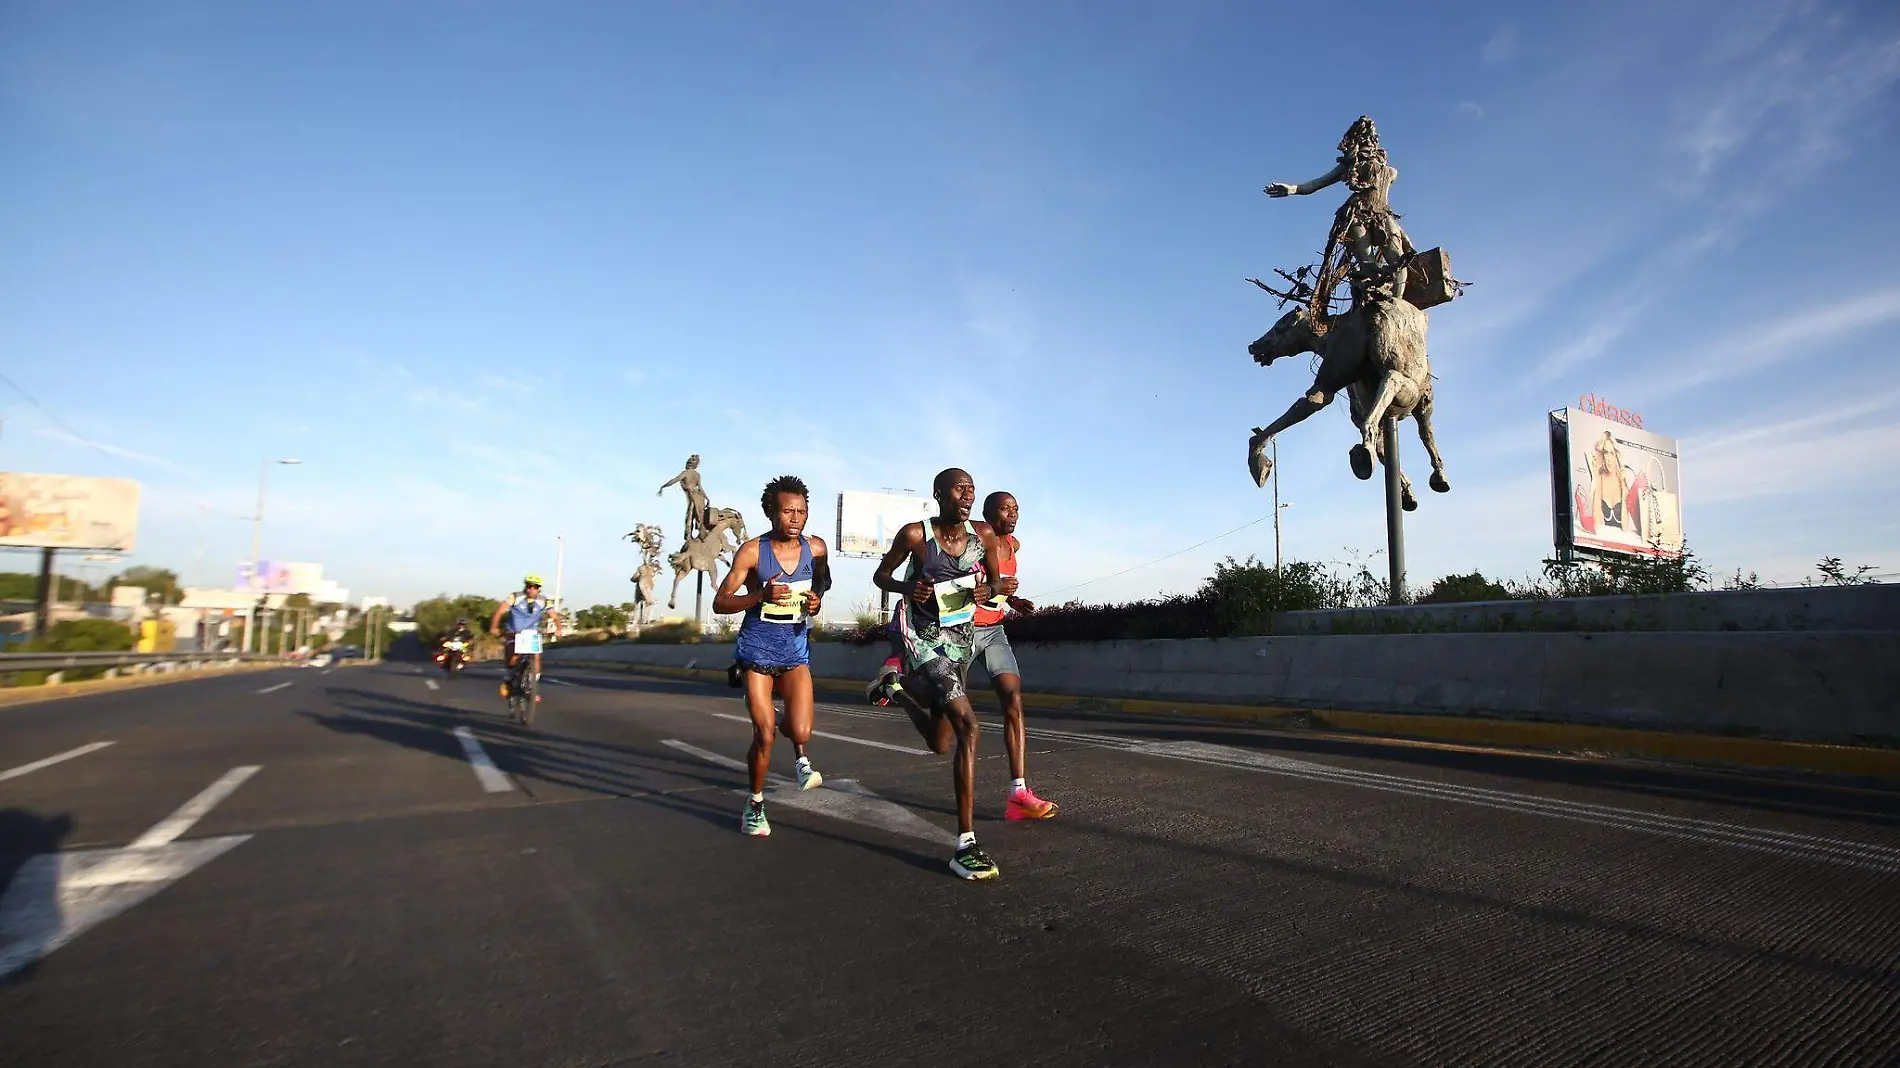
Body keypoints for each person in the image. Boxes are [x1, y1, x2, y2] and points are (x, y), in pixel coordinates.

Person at [872, 468, 1011, 880]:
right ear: (938, 494)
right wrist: (906, 589)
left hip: (961, 640)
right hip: (925, 641)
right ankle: (965, 844)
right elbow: (881, 575)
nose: (967, 495)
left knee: (939, 741)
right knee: (970, 727)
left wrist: (989, 591)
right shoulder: (916, 536)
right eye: (959, 488)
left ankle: (893, 691)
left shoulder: (982, 536)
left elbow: (997, 581)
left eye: (972, 489)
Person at [712, 475, 830, 837]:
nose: (795, 518)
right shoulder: (751, 551)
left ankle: (787, 729)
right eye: (787, 511)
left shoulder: (817, 547)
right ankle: (755, 803)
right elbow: (721, 601)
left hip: (795, 648)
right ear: (771, 512)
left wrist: (816, 600)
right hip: (758, 648)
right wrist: (758, 597)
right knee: (764, 735)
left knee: (800, 730)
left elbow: (822, 582)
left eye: (801, 511)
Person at [970, 492, 1058, 820]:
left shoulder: (1014, 546)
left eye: (1015, 509)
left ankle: (1018, 791)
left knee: (1013, 698)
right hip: (962, 630)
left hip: (993, 630)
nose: (1012, 514)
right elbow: (962, 583)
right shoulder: (973, 542)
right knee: (945, 721)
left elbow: (999, 588)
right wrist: (997, 589)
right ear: (987, 514)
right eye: (1004, 509)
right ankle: (897, 678)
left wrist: (1013, 600)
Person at [488, 575, 558, 700]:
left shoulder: (544, 601)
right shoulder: (515, 597)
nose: (531, 589)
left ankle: (532, 684)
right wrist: (494, 627)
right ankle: (509, 676)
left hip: (531, 633)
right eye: (529, 586)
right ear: (525, 586)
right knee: (513, 655)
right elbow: (499, 612)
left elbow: (554, 616)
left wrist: (559, 628)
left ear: (539, 589)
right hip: (514, 632)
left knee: (536, 655)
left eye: (535, 587)